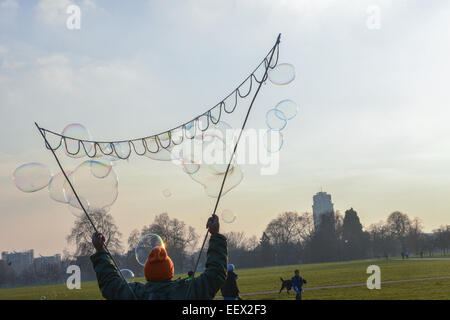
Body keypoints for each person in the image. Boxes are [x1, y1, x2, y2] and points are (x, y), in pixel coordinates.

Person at [90, 214, 227, 300]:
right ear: (170, 271)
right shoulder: (187, 291)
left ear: (147, 273)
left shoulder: (137, 294)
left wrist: (100, 250)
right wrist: (215, 235)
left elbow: (111, 285)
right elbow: (216, 274)